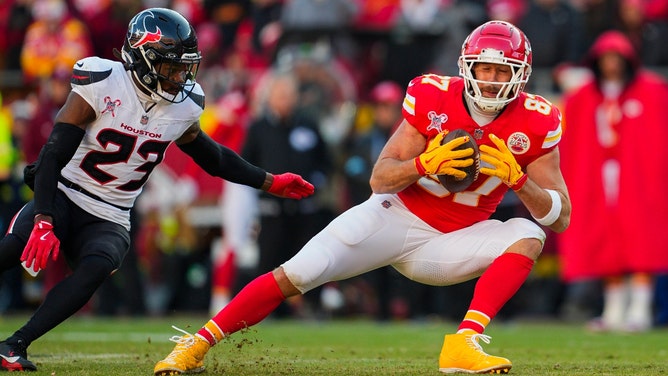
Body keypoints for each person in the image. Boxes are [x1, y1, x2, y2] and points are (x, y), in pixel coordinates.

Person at [154, 20, 571, 375]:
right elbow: (380, 179)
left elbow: (560, 216)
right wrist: (424, 164)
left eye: (504, 71)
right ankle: (195, 344)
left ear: (522, 73)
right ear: (468, 65)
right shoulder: (433, 96)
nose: (492, 80)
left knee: (527, 232)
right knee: (298, 272)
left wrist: (521, 181)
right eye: (486, 68)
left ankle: (463, 343)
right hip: (394, 216)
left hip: (452, 242)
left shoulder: (536, 120)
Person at [0, 8, 314, 372]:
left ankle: (14, 343)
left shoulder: (184, 106)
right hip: (66, 192)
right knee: (12, 248)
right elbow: (53, 152)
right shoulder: (102, 81)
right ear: (143, 58)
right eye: (172, 67)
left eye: (185, 67)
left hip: (111, 212)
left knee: (99, 265)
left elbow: (213, 157)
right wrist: (43, 217)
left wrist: (270, 181)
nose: (181, 76)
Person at [558, 30, 668, 332]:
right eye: (606, 59)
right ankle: (614, 309)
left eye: (616, 58)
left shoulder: (651, 91)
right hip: (599, 176)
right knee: (606, 237)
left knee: (642, 236)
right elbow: (572, 141)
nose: (611, 65)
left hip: (638, 177)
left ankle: (640, 309)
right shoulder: (583, 96)